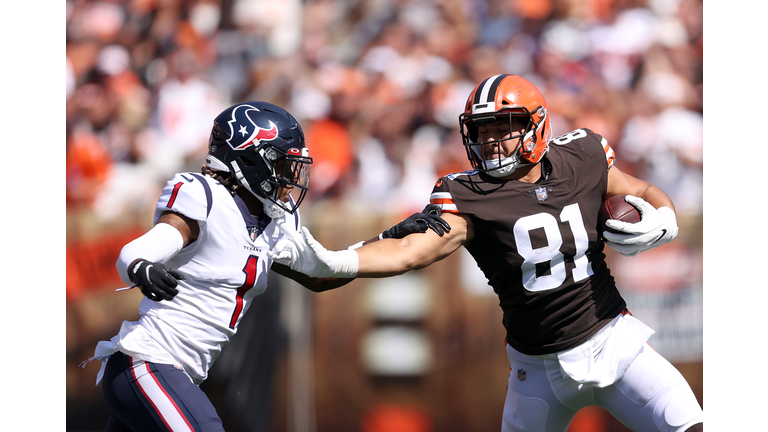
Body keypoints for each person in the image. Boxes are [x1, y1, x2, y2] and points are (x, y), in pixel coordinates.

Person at [270, 75, 704, 432]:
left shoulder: (584, 155)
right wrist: (337, 261)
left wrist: (664, 215)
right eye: (482, 131)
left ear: (537, 125)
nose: (491, 141)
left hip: (615, 343)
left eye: (503, 127)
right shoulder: (467, 194)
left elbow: (640, 190)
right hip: (536, 371)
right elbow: (410, 251)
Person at [82, 101, 449, 432]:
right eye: (281, 163)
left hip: (174, 375)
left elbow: (323, 271)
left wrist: (385, 238)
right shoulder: (205, 195)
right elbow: (138, 251)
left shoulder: (274, 222)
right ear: (250, 158)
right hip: (146, 364)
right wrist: (142, 267)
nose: (290, 178)